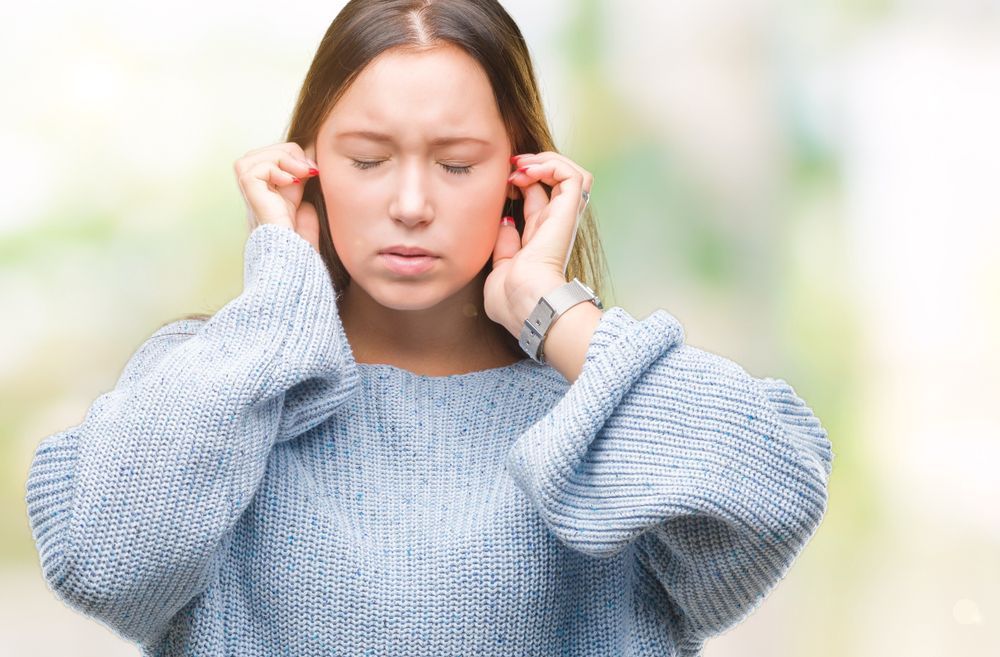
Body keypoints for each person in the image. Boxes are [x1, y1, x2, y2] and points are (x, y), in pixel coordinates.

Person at [24, 1, 834, 656]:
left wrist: (550, 309)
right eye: (368, 160)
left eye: (456, 164)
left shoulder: (604, 408)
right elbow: (103, 561)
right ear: (307, 171)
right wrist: (277, 305)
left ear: (521, 176)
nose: (411, 204)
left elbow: (775, 490)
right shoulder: (223, 386)